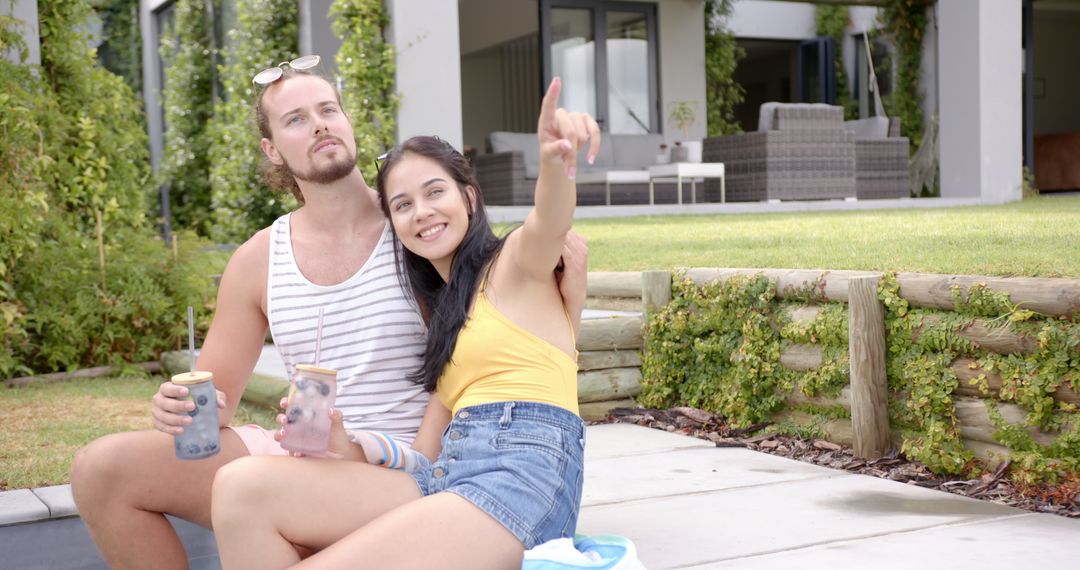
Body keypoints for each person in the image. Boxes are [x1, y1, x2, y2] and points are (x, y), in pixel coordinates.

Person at [69, 57, 588, 570]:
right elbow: (214, 405)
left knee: (250, 488)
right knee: (102, 469)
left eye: (328, 109)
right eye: (296, 119)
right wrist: (178, 408)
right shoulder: (258, 259)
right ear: (271, 150)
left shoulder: (416, 231)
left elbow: (504, 312)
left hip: (403, 466)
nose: (318, 123)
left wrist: (559, 227)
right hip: (304, 449)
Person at [209, 76, 599, 569]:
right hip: (446, 479)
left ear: (470, 198)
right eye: (402, 204)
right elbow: (422, 456)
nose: (423, 213)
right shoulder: (448, 324)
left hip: (519, 484)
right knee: (241, 487)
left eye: (436, 192)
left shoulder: (516, 265)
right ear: (392, 224)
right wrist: (347, 446)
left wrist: (554, 159)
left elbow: (550, 218)